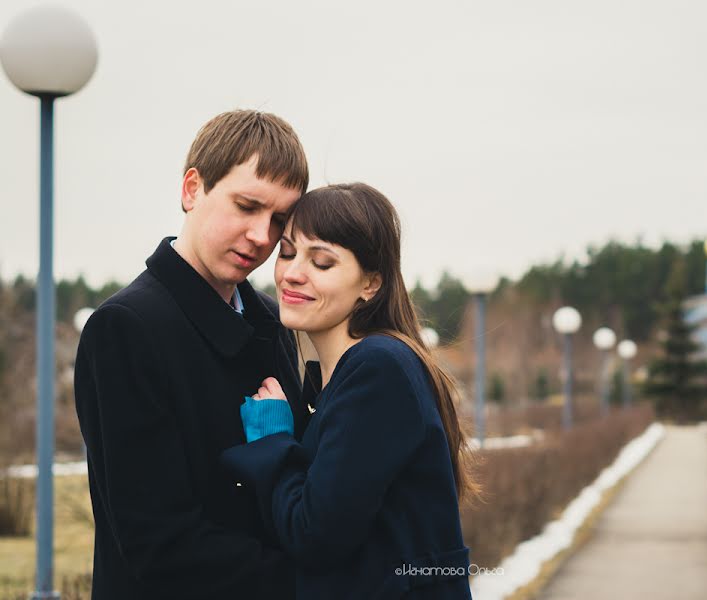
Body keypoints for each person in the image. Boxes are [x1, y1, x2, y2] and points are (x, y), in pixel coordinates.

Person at [74, 110, 309, 599]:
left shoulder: (273, 321)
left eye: (280, 220)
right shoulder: (125, 328)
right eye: (247, 206)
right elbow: (159, 544)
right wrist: (313, 582)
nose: (263, 236)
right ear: (192, 190)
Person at [221, 183, 476, 599]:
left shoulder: (378, 367)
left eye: (321, 262)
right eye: (287, 252)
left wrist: (272, 441)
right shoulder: (352, 371)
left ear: (370, 284)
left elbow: (315, 535)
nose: (292, 272)